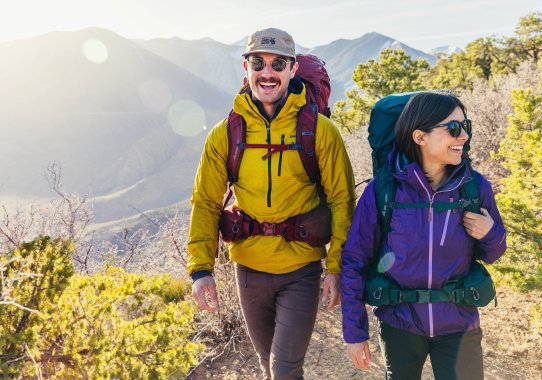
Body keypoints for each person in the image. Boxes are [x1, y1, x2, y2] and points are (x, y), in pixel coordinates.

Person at [188, 27, 355, 380]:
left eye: (278, 63)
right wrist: (201, 270)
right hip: (248, 269)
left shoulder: (320, 131)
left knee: (284, 368)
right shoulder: (225, 134)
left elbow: (342, 200)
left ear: (293, 70)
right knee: (269, 366)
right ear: (245, 68)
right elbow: (206, 202)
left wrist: (337, 267)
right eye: (259, 63)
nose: (268, 72)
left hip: (301, 269)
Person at [340, 92, 507, 380]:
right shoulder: (383, 191)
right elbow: (355, 261)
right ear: (420, 137)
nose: (464, 136)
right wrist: (355, 333)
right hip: (399, 324)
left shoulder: (474, 187)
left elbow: (494, 253)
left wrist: (490, 233)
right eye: (453, 128)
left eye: (466, 126)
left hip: (459, 324)